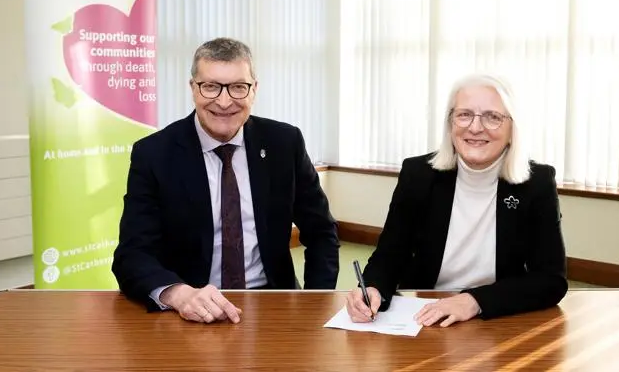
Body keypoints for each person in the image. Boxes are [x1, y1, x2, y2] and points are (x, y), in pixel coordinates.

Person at [113, 37, 339, 323]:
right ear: (193, 88)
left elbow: (321, 232)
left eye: (237, 87)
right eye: (210, 86)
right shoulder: (155, 154)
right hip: (190, 310)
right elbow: (132, 254)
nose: (224, 101)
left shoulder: (284, 143)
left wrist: (315, 302)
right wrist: (178, 294)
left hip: (273, 302)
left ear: (254, 89)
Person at [346, 73, 567, 325]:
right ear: (450, 123)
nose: (474, 127)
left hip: (498, 314)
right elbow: (390, 254)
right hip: (426, 314)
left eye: (492, 117)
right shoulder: (418, 174)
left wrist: (474, 301)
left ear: (512, 129)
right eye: (464, 115)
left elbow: (551, 280)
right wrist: (373, 287)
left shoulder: (536, 183)